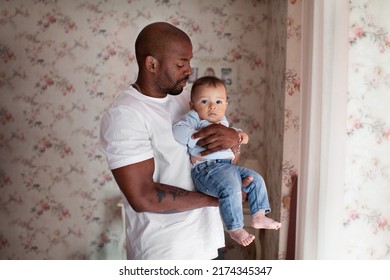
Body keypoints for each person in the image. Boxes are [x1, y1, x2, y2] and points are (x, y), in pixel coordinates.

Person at [99, 22, 251, 260]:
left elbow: (217, 154)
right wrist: (218, 198)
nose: (189, 70)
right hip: (166, 252)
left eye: (189, 62)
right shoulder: (126, 114)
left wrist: (232, 139)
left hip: (209, 243)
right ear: (151, 64)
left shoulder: (188, 100)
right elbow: (143, 196)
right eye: (181, 64)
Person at [173, 76, 281, 247]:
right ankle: (234, 228)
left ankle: (258, 215)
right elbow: (178, 131)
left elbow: (234, 133)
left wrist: (239, 136)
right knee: (230, 185)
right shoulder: (194, 119)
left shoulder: (222, 122)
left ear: (225, 105)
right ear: (192, 106)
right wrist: (199, 138)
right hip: (205, 171)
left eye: (218, 101)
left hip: (228, 167)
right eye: (204, 101)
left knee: (256, 179)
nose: (212, 106)